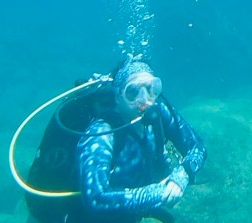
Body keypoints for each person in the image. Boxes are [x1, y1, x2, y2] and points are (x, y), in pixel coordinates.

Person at [70, 59, 206, 223]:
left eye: (150, 89)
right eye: (133, 92)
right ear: (118, 96)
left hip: (138, 212)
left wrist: (183, 175)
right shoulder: (101, 133)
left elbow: (197, 146)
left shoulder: (159, 112)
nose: (144, 100)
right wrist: (158, 193)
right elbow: (95, 199)